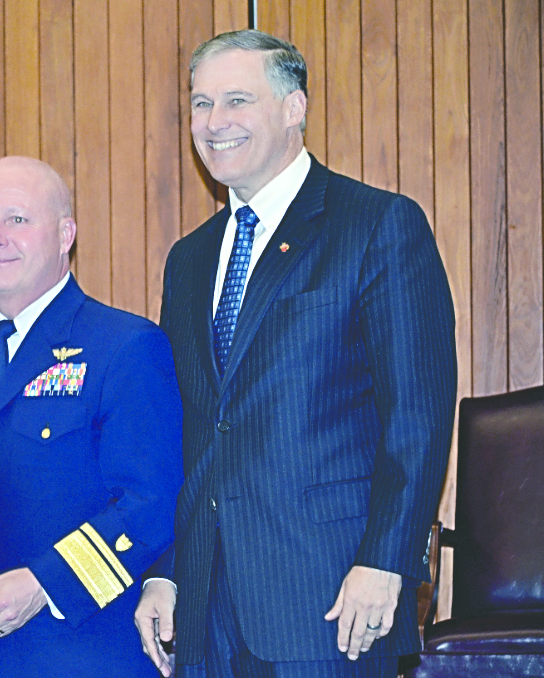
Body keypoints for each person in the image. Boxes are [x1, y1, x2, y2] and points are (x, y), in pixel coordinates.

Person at [134, 30, 457, 678]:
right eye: (201, 104)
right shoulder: (189, 260)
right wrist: (164, 573)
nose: (214, 123)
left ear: (293, 108)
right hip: (205, 606)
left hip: (331, 597)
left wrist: (387, 560)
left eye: (236, 101)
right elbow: (191, 429)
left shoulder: (375, 225)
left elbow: (417, 412)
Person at [0, 156, 183, 677]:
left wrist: (45, 585)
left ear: (66, 235)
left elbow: (151, 507)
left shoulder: (125, 346)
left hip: (79, 647)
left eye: (17, 219)